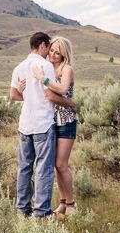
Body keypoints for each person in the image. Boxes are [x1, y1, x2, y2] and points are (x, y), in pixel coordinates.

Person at [9, 32, 75, 218]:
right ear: (44, 45)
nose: (51, 54)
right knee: (44, 169)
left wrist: (27, 94)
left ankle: (23, 208)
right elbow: (51, 95)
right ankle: (42, 212)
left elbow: (14, 96)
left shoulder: (19, 67)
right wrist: (71, 103)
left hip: (25, 125)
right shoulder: (45, 66)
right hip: (42, 124)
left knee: (24, 167)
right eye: (50, 49)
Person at [27, 36, 77, 216]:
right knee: (55, 165)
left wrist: (43, 79)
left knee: (61, 164)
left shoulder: (66, 69)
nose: (54, 55)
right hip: (50, 121)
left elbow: (63, 90)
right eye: (52, 51)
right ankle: (63, 202)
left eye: (58, 52)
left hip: (66, 122)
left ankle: (71, 204)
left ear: (64, 54)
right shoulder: (48, 68)